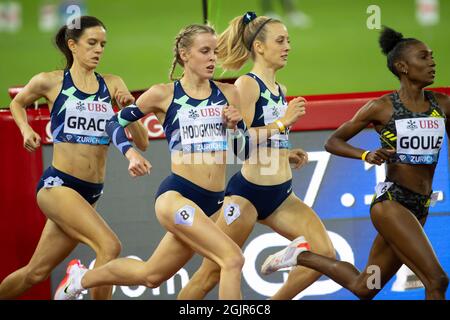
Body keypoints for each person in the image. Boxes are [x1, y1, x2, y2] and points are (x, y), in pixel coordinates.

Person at [54, 23, 246, 300]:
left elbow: (242, 150)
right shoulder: (164, 94)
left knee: (151, 275)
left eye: (215, 52)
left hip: (212, 202)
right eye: (205, 51)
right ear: (184, 54)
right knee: (232, 259)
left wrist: (234, 127)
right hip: (177, 197)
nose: (212, 58)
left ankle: (82, 278)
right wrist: (130, 152)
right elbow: (113, 123)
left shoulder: (229, 94)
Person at [261, 26, 449, 300]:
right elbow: (333, 141)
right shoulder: (382, 107)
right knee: (437, 280)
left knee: (366, 286)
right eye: (424, 57)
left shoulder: (442, 105)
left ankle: (301, 256)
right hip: (392, 204)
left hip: (421, 205)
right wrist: (365, 154)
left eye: (432, 56)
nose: (432, 63)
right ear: (403, 66)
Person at [177, 12, 335, 300]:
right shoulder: (247, 85)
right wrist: (284, 122)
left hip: (282, 195)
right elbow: (239, 146)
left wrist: (285, 153)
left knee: (325, 253)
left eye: (288, 40)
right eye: (280, 40)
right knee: (210, 273)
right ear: (259, 47)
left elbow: (266, 138)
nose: (288, 46)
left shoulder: (280, 89)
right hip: (247, 196)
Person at [0, 16, 149, 300]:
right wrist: (25, 129)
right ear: (73, 45)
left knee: (36, 272)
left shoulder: (112, 84)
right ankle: (77, 281)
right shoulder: (50, 81)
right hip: (58, 185)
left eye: (103, 44)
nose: (98, 50)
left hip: (89, 193)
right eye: (92, 43)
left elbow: (141, 141)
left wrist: (129, 110)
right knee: (109, 247)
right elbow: (18, 103)